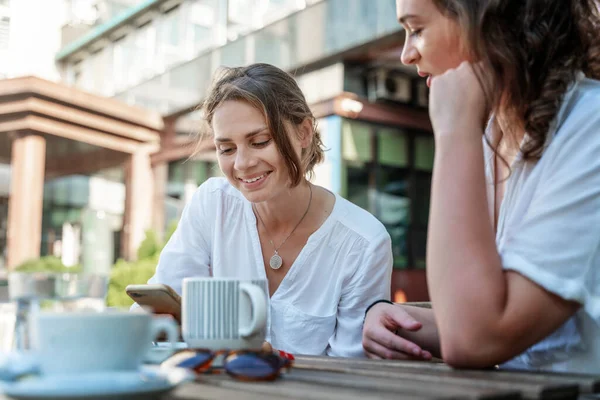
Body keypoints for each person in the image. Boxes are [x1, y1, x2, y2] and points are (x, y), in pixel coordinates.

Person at [362, 0, 600, 373]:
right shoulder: (492, 135)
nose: (407, 54)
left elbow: (474, 338)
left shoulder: (591, 128)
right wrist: (393, 317)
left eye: (417, 29)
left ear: (486, 23)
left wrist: (455, 129)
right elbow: (477, 315)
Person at [144, 63, 393, 357]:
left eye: (260, 142)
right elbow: (166, 304)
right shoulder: (211, 204)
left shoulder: (363, 243)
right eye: (227, 149)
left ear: (304, 133)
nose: (242, 164)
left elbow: (352, 371)